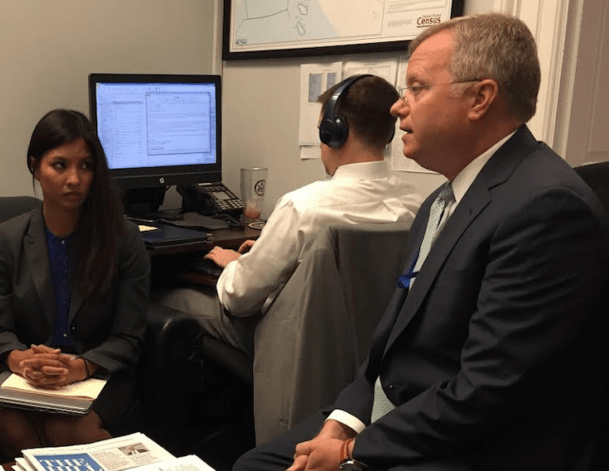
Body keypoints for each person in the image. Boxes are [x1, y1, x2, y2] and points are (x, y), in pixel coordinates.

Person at [235, 13, 609, 471]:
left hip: (475, 445)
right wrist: (343, 419)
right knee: (256, 463)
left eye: (416, 87)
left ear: (480, 98)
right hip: (401, 412)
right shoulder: (440, 200)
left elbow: (488, 391)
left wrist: (353, 451)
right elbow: (389, 344)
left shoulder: (546, 207)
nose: (398, 106)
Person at [155, 74, 422, 355]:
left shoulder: (303, 208)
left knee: (167, 297)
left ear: (335, 132)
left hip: (293, 344)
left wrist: (235, 265)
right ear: (389, 133)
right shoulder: (415, 203)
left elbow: (238, 300)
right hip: (367, 342)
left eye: (321, 131)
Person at [0, 109, 150, 456]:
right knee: (8, 420)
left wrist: (80, 366)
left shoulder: (123, 238)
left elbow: (129, 337)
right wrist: (23, 360)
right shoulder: (8, 238)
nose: (74, 178)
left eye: (85, 166)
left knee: (65, 425)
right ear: (35, 167)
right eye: (60, 165)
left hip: (98, 371)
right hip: (27, 372)